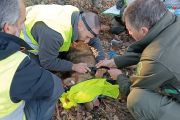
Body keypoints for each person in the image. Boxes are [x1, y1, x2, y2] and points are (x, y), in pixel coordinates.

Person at [96, 0, 180, 119]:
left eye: (130, 30)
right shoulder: (173, 21)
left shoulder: (157, 59)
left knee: (137, 99)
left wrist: (119, 76)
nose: (129, 33)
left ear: (143, 30)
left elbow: (131, 88)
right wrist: (115, 62)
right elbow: (153, 48)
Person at [0, 0, 64, 119]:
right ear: (7, 28)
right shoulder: (16, 64)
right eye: (21, 22)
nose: (22, 27)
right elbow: (54, 87)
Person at [20, 4, 105, 74]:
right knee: (38, 71)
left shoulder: (77, 15)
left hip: (37, 20)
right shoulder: (55, 34)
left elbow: (94, 40)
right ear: (80, 26)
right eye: (87, 37)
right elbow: (47, 62)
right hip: (20, 39)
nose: (87, 41)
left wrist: (101, 60)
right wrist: (74, 66)